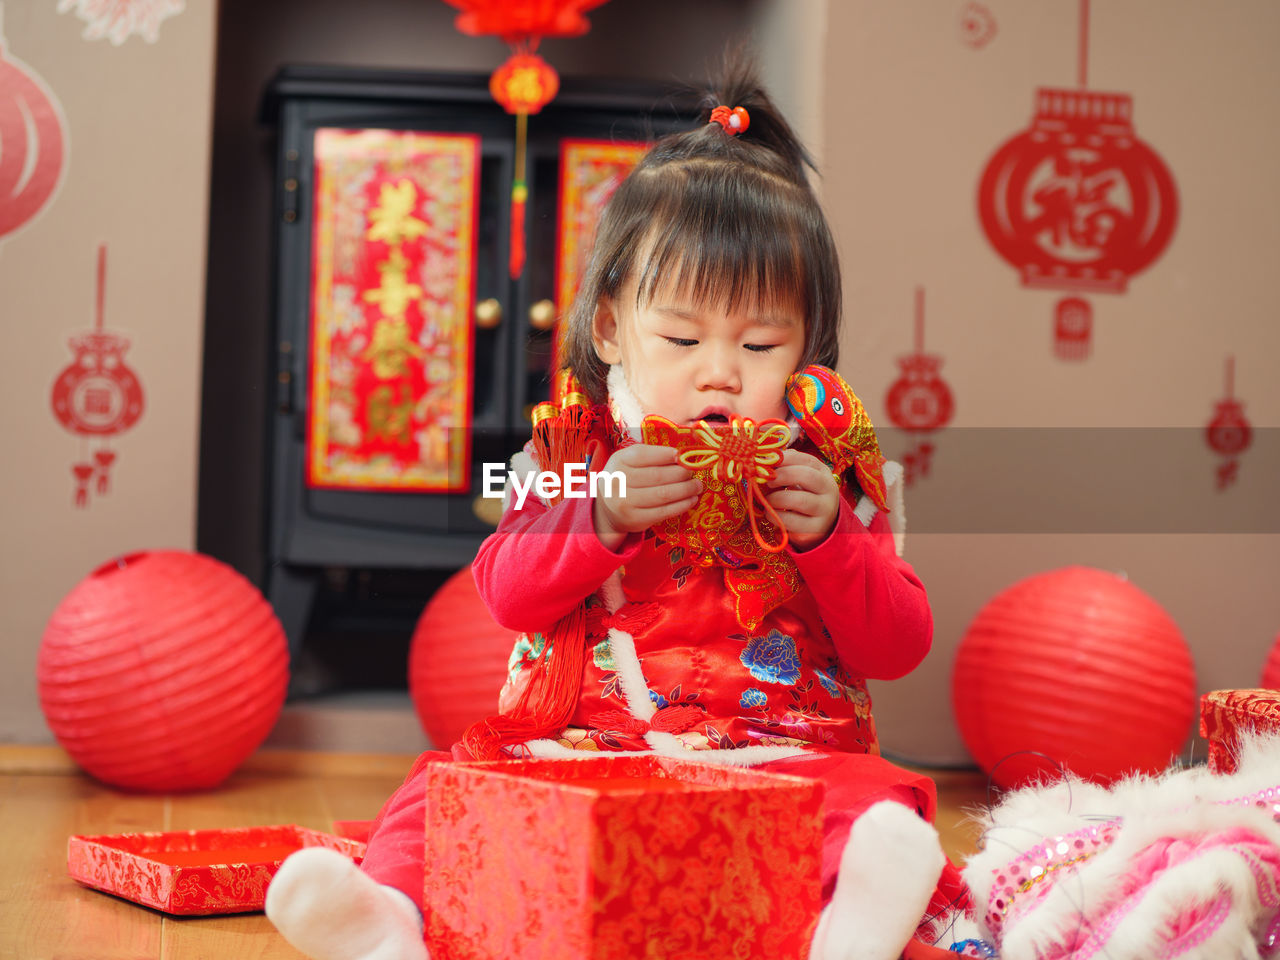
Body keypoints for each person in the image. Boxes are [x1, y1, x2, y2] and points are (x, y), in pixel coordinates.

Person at [266, 53, 965, 960]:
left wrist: (832, 536)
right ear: (608, 329)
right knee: (443, 786)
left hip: (779, 754)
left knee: (874, 796)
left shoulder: (835, 467)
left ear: (808, 351)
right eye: (681, 336)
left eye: (760, 343)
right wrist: (596, 517)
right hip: (589, 751)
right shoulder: (568, 448)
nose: (719, 370)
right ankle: (390, 924)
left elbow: (897, 643)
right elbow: (506, 590)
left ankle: (846, 926)